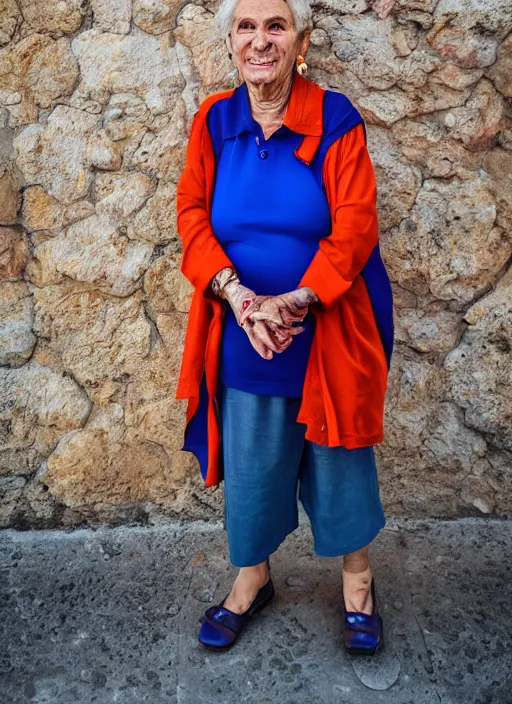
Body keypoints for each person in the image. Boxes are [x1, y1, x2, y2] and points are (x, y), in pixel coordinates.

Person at [176, 0, 394, 655]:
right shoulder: (214, 122)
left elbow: (355, 225)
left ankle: (358, 582)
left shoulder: (334, 118)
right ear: (232, 42)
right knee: (251, 468)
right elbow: (191, 218)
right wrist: (241, 299)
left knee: (342, 464)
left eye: (275, 26)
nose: (260, 40)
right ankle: (252, 579)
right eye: (247, 27)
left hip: (325, 329)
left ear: (299, 40)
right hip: (243, 333)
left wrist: (298, 298)